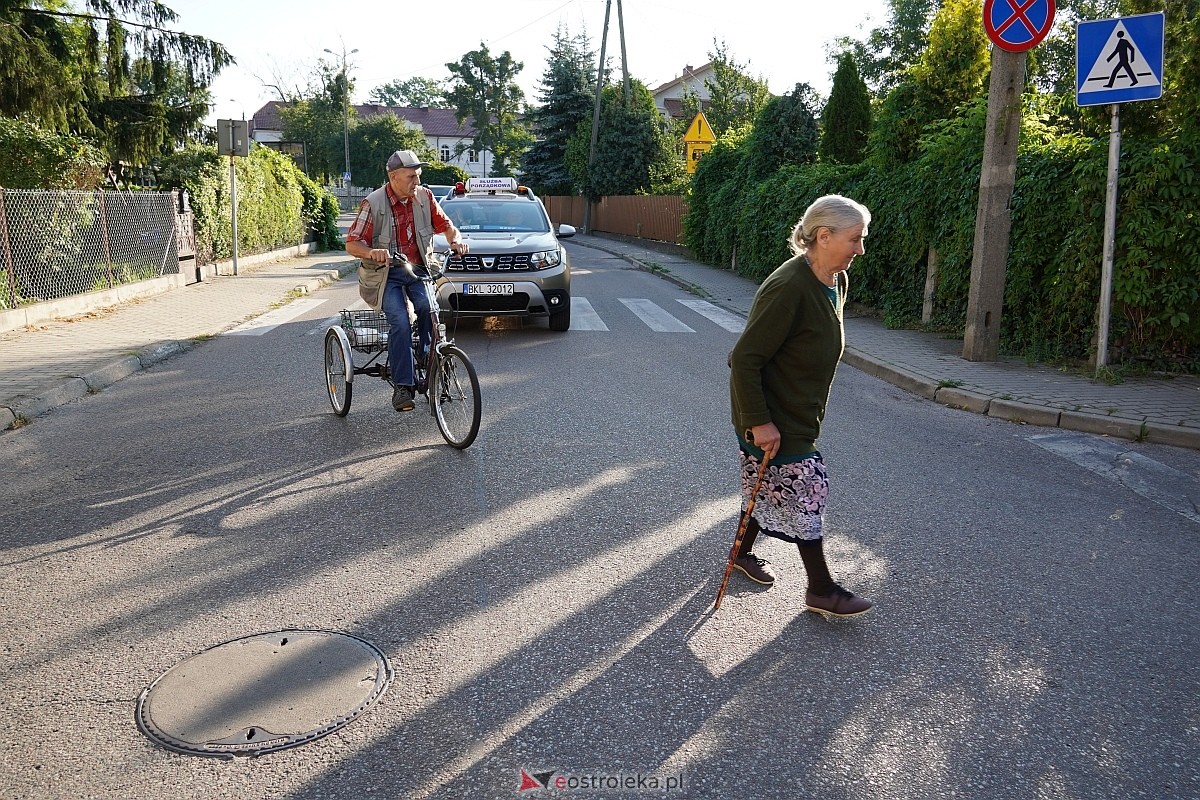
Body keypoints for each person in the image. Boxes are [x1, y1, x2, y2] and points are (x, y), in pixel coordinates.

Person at [727, 194, 874, 618]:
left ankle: (740, 553)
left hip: (800, 413)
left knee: (765, 487)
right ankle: (821, 588)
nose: (860, 249)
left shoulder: (835, 281)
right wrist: (760, 422)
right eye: (854, 239)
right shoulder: (789, 287)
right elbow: (746, 358)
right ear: (823, 237)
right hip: (771, 418)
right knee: (807, 489)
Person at [345, 150, 468, 412]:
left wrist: (455, 240)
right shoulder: (373, 203)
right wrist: (371, 252)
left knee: (428, 308)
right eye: (412, 176)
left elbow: (446, 225)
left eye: (418, 176)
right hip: (386, 274)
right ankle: (403, 387)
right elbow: (352, 243)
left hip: (418, 269)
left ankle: (425, 356)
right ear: (393, 177)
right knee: (400, 321)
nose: (417, 182)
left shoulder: (424, 197)